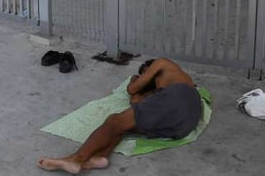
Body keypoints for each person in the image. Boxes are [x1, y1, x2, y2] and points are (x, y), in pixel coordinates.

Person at [37, 58, 202, 173]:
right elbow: (136, 103)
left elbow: (132, 90)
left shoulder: (162, 64)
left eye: (145, 74)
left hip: (180, 97)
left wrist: (133, 81)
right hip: (185, 123)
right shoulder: (160, 92)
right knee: (125, 125)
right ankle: (101, 157)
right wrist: (139, 93)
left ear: (148, 70)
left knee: (114, 121)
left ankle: (76, 159)